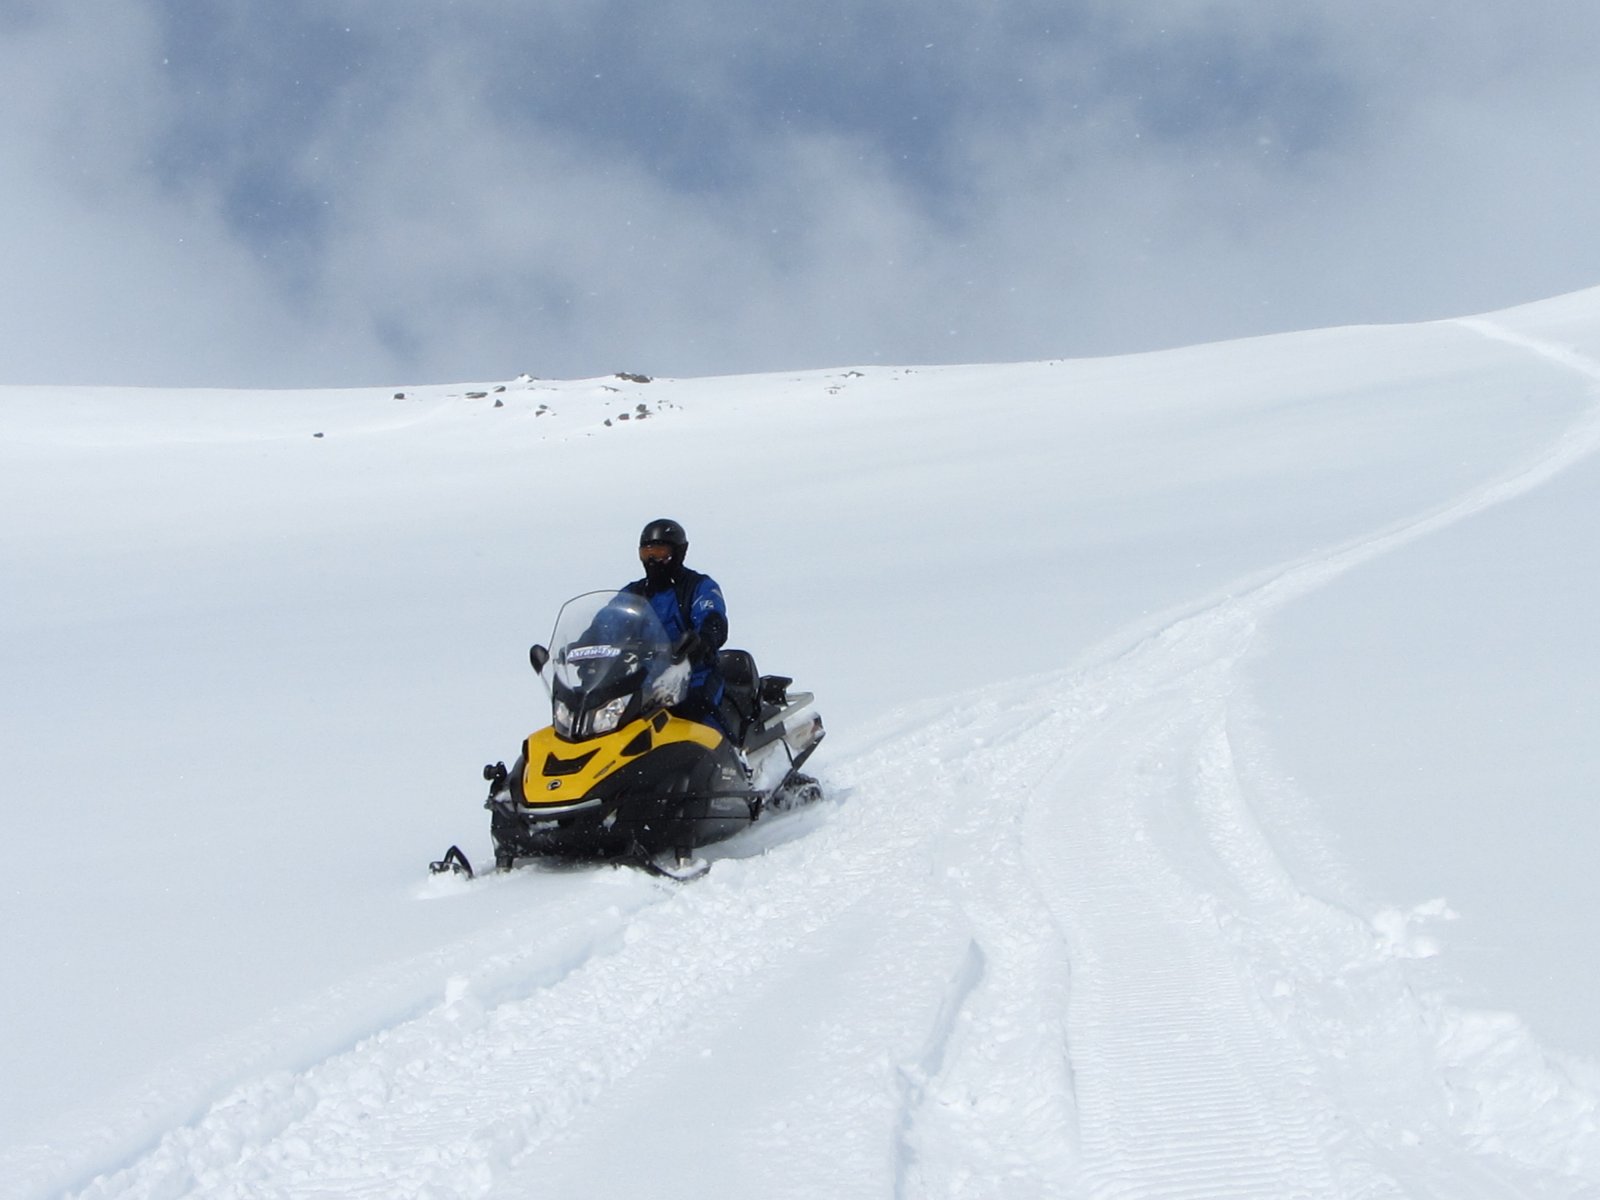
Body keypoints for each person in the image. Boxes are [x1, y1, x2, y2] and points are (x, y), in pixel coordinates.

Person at [622, 518, 728, 725]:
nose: (652, 560)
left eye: (660, 553)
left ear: (679, 552)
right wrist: (584, 646)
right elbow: (607, 624)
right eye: (647, 553)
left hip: (694, 674)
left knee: (697, 714)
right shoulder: (633, 594)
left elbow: (712, 618)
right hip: (643, 678)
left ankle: (731, 753)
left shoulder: (697, 586)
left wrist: (700, 643)